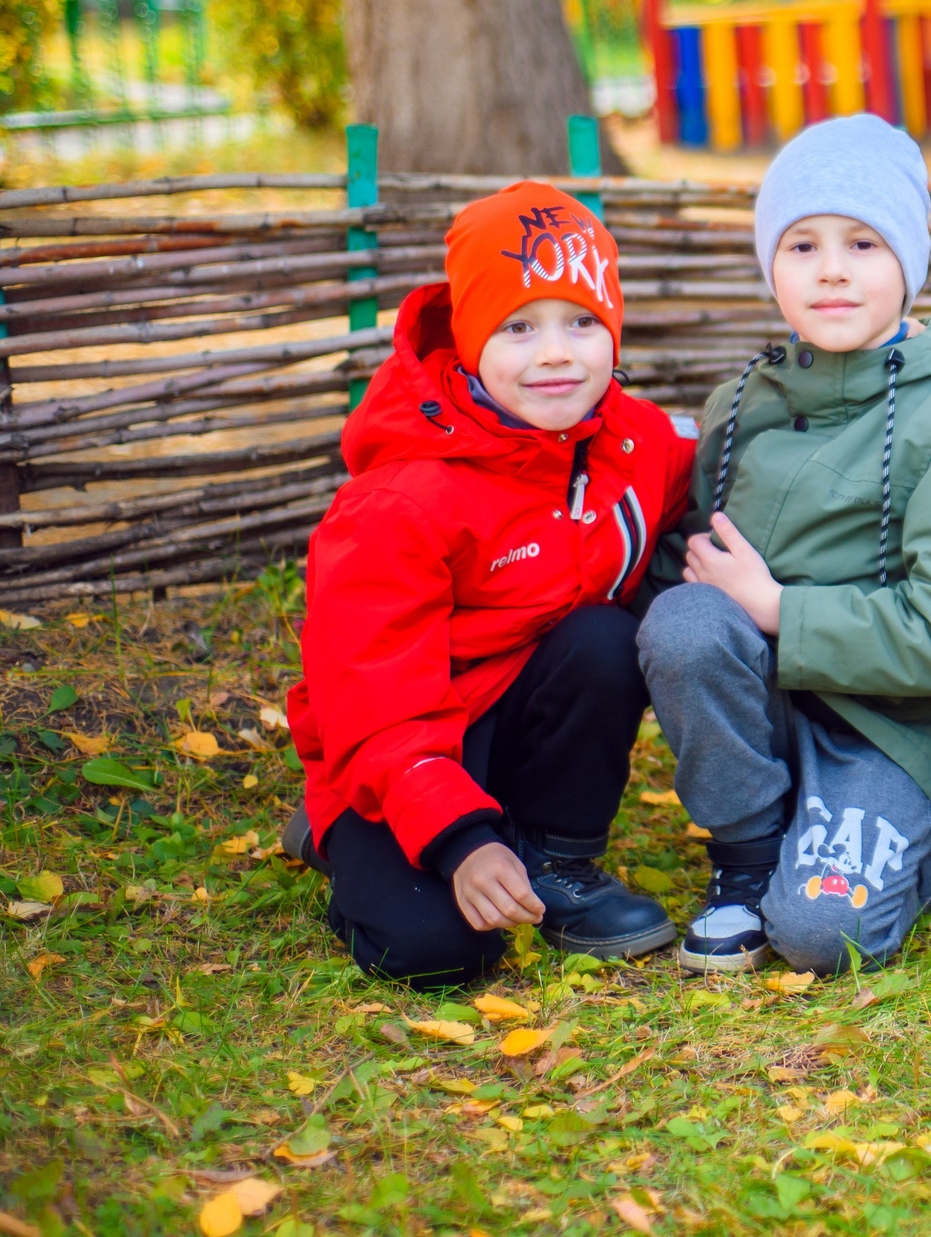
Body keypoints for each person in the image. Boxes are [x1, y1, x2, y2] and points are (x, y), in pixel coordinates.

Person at [636, 116, 931, 976]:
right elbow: (685, 569)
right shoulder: (735, 406)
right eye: (802, 245)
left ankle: (884, 848)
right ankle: (745, 855)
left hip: (888, 725)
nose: (833, 269)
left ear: (908, 263)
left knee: (820, 937)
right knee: (688, 621)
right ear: (771, 266)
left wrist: (778, 609)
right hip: (760, 711)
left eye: (864, 242)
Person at [286, 183, 693, 988]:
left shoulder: (638, 445)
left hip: (523, 727)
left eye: (582, 322)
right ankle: (339, 838)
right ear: (469, 340)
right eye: (518, 327)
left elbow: (712, 480)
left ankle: (558, 860)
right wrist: (460, 839)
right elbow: (370, 695)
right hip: (400, 748)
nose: (555, 353)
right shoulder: (399, 503)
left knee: (603, 638)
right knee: (437, 954)